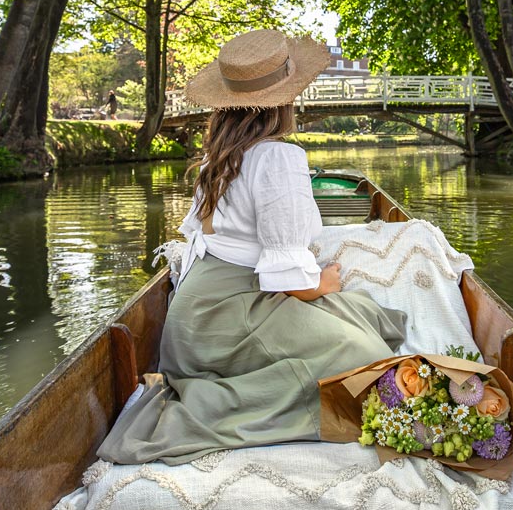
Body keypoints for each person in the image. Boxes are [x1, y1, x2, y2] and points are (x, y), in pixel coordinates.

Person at [98, 28, 405, 467]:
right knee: (368, 362)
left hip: (196, 321)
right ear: (285, 100)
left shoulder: (219, 155)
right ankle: (208, 403)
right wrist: (324, 282)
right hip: (225, 323)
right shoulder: (278, 158)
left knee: (358, 312)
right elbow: (290, 280)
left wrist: (321, 288)